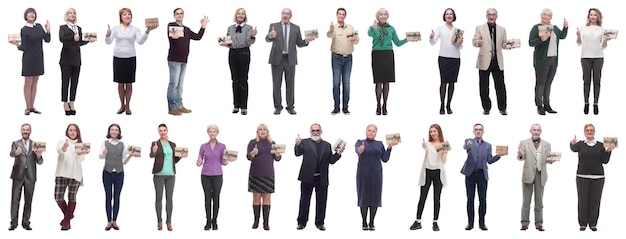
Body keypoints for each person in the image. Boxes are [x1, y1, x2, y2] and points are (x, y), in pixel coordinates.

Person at [105, 8, 157, 115]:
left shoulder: (135, 29)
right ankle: (121, 105)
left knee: (129, 83)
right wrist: (107, 34)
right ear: (121, 17)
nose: (127, 16)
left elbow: (140, 41)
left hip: (130, 57)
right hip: (118, 57)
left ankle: (128, 105)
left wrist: (147, 31)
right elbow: (108, 42)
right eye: (124, 14)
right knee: (120, 83)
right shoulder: (115, 29)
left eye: (129, 14)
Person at [294, 123, 343, 230]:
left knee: (321, 201)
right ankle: (301, 222)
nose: (315, 132)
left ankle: (320, 222)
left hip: (321, 177)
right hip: (307, 177)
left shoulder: (327, 145)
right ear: (310, 132)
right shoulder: (304, 142)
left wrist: (338, 154)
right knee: (304, 201)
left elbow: (331, 161)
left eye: (317, 130)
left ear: (321, 132)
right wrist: (297, 144)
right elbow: (297, 153)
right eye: (313, 130)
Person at [266, 8, 314, 115]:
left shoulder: (296, 28)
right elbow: (267, 39)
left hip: (290, 59)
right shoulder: (273, 26)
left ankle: (290, 107)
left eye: (287, 13)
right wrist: (270, 36)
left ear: (291, 16)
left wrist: (307, 41)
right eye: (283, 13)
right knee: (276, 84)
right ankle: (278, 106)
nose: (285, 15)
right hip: (276, 59)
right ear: (281, 14)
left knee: (290, 84)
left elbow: (299, 43)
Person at [460, 123, 506, 230]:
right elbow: (465, 146)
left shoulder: (488, 145)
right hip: (470, 174)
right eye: (476, 129)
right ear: (473, 131)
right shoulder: (469, 141)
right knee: (470, 199)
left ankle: (482, 223)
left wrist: (498, 156)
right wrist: (468, 145)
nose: (478, 131)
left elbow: (489, 161)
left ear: (483, 131)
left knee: (483, 199)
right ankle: (470, 223)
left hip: (482, 175)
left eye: (480, 129)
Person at [570, 123, 614, 231]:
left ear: (594, 132)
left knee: (595, 201)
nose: (589, 132)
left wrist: (609, 150)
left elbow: (605, 161)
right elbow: (573, 148)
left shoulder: (600, 145)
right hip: (582, 176)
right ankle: (583, 223)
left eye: (591, 130)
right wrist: (572, 142)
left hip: (598, 177)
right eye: (587, 130)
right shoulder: (580, 144)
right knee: (582, 200)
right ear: (584, 132)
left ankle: (593, 223)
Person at [166, 8, 208, 116]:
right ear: (174, 15)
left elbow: (198, 37)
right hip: (174, 59)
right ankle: (172, 107)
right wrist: (173, 37)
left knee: (180, 84)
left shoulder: (187, 29)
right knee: (173, 84)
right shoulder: (171, 25)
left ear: (183, 15)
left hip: (184, 60)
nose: (179, 15)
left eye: (181, 14)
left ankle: (179, 105)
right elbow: (171, 37)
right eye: (177, 14)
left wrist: (203, 26)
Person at [9, 8, 51, 115]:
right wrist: (16, 44)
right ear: (26, 16)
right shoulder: (24, 29)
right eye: (29, 13)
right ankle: (27, 107)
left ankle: (32, 106)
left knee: (35, 82)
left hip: (38, 58)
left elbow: (47, 40)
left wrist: (48, 30)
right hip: (28, 58)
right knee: (28, 82)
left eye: (33, 13)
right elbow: (23, 47)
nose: (31, 15)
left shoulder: (39, 26)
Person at [355, 124, 397, 231]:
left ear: (376, 133)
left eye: (373, 131)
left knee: (375, 197)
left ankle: (372, 222)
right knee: (364, 197)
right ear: (366, 131)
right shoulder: (360, 142)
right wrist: (360, 149)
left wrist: (389, 148)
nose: (371, 132)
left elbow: (385, 159)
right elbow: (358, 151)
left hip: (376, 174)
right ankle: (364, 222)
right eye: (369, 130)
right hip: (363, 174)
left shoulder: (379, 144)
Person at [368, 8, 408, 116]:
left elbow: (398, 43)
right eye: (381, 14)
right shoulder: (373, 27)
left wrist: (407, 39)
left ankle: (385, 105)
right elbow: (369, 34)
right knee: (378, 81)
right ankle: (378, 104)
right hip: (377, 55)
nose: (383, 16)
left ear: (387, 16)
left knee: (386, 81)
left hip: (388, 55)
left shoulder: (391, 29)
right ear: (378, 16)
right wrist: (373, 28)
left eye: (385, 14)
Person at [99, 123, 138, 231]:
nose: (114, 131)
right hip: (107, 172)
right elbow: (100, 157)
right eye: (112, 129)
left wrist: (130, 155)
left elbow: (123, 161)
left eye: (116, 130)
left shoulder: (123, 144)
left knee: (117, 197)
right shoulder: (104, 143)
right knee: (108, 197)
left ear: (119, 132)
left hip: (119, 173)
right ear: (109, 131)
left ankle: (115, 221)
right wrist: (104, 153)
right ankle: (108, 221)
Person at [529, 8, 568, 115]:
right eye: (543, 14)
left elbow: (562, 36)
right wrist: (541, 39)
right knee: (540, 83)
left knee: (548, 83)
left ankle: (547, 105)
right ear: (541, 15)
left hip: (553, 59)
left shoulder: (554, 28)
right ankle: (539, 105)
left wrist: (565, 27)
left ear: (551, 17)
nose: (545, 16)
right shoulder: (537, 27)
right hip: (542, 60)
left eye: (548, 15)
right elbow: (531, 43)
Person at [517, 123, 555, 231]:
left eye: (538, 130)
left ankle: (539, 223)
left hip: (541, 174)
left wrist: (551, 161)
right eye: (534, 130)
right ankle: (524, 223)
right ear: (530, 131)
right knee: (526, 201)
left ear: (541, 131)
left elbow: (548, 158)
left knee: (539, 201)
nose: (536, 132)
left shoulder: (547, 144)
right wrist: (520, 154)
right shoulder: (524, 143)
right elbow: (521, 157)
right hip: (528, 174)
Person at [472, 8, 510, 115]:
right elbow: (474, 42)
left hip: (497, 61)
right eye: (489, 14)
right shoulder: (480, 28)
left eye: (493, 14)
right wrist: (478, 42)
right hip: (484, 60)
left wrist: (509, 45)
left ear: (496, 16)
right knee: (484, 86)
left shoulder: (502, 29)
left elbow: (503, 44)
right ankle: (486, 107)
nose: (491, 16)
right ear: (486, 16)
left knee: (500, 86)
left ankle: (502, 108)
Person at [409, 124, 448, 231]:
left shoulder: (443, 144)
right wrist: (423, 145)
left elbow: (444, 162)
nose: (433, 133)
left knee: (437, 198)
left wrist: (444, 153)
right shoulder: (428, 144)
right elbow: (425, 147)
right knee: (422, 197)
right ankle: (418, 221)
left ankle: (435, 222)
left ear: (439, 131)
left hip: (438, 173)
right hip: (427, 172)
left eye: (434, 131)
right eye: (431, 131)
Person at [150, 123, 186, 231]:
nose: (162, 132)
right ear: (158, 132)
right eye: (160, 130)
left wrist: (181, 156)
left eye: (164, 130)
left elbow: (174, 160)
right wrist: (154, 150)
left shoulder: (173, 144)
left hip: (171, 174)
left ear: (167, 131)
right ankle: (159, 221)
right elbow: (151, 155)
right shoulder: (155, 143)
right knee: (158, 199)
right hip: (159, 175)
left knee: (169, 199)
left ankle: (169, 221)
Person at [59, 8, 94, 116]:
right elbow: (62, 39)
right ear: (66, 15)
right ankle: (65, 103)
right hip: (66, 58)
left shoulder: (78, 28)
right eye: (70, 13)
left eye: (74, 13)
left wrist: (88, 41)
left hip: (76, 59)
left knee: (75, 82)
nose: (72, 15)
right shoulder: (63, 27)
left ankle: (72, 102)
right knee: (65, 82)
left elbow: (78, 42)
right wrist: (72, 37)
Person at [246, 123, 282, 230]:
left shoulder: (272, 143)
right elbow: (248, 157)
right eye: (260, 129)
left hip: (268, 174)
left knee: (267, 198)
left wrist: (278, 155)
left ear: (267, 131)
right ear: (257, 132)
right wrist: (253, 153)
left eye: (264, 129)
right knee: (256, 197)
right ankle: (256, 221)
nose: (262, 131)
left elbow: (278, 159)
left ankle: (266, 223)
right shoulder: (253, 142)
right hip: (255, 173)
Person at [221, 8, 256, 115]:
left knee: (243, 79)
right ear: (235, 16)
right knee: (234, 80)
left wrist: (252, 36)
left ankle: (244, 106)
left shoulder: (249, 28)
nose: (240, 16)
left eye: (242, 14)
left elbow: (248, 42)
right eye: (238, 14)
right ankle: (236, 105)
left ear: (245, 16)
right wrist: (225, 44)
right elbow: (229, 42)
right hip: (232, 54)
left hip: (244, 53)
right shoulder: (230, 28)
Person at [8, 123, 43, 231]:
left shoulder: (36, 144)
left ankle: (26, 223)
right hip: (17, 175)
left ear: (30, 131)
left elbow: (40, 162)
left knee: (28, 201)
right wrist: (16, 152)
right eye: (23, 129)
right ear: (20, 131)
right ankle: (13, 223)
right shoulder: (15, 143)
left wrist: (39, 156)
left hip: (30, 177)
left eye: (27, 130)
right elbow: (11, 154)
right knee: (15, 200)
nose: (25, 131)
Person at [55, 123, 89, 230]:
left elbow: (81, 160)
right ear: (67, 131)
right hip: (61, 173)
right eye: (70, 130)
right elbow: (60, 150)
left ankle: (66, 222)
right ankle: (68, 215)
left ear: (77, 132)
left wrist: (81, 153)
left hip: (75, 174)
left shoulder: (81, 144)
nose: (73, 132)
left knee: (72, 197)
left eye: (75, 130)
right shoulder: (62, 142)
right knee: (58, 197)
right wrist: (64, 148)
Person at [576, 8, 610, 115]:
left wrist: (605, 40)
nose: (593, 17)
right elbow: (579, 43)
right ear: (588, 16)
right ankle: (586, 103)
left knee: (597, 81)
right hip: (585, 57)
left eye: (595, 15)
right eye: (591, 15)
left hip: (598, 57)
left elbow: (603, 47)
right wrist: (578, 36)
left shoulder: (602, 29)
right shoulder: (583, 28)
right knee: (586, 81)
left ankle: (595, 103)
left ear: (598, 17)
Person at [430, 8, 462, 115]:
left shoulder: (457, 30)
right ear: (444, 16)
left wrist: (460, 42)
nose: (449, 16)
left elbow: (460, 47)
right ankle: (442, 104)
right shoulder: (440, 28)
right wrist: (431, 37)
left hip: (455, 58)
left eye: (451, 14)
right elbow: (433, 42)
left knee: (452, 83)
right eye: (447, 14)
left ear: (453, 16)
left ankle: (449, 105)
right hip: (443, 58)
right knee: (443, 82)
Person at [196, 124, 228, 230]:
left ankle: (215, 221)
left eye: (214, 131)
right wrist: (198, 162)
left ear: (217, 133)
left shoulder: (222, 146)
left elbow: (223, 162)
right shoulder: (203, 146)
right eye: (210, 131)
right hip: (205, 175)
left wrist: (227, 161)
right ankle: (208, 221)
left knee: (216, 198)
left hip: (218, 175)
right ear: (208, 133)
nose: (212, 133)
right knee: (207, 198)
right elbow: (199, 161)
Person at [328, 7, 359, 115]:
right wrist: (331, 30)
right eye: (339, 14)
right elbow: (329, 35)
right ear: (336, 15)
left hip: (348, 58)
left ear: (345, 16)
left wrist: (355, 39)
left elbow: (356, 41)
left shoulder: (350, 27)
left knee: (346, 83)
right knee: (336, 83)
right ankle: (336, 107)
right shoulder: (334, 27)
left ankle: (345, 107)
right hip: (336, 58)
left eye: (343, 14)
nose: (341, 16)